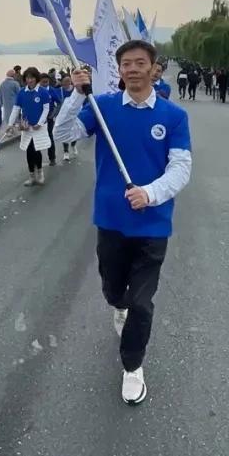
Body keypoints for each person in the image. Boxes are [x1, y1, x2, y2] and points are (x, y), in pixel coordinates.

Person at [53, 40, 192, 405]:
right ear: (119, 69)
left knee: (142, 303)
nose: (132, 69)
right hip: (111, 220)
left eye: (140, 63)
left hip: (152, 224)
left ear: (153, 68)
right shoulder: (103, 108)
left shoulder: (173, 116)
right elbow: (62, 135)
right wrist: (76, 95)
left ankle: (132, 366)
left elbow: (181, 168)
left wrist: (150, 193)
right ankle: (118, 305)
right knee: (115, 290)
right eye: (126, 63)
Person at [7, 67, 52, 186]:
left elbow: (46, 109)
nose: (30, 80)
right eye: (27, 78)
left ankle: (40, 173)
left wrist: (39, 123)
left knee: (36, 149)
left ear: (36, 78)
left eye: (32, 78)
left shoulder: (43, 92)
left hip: (38, 127)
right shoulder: (22, 92)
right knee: (29, 150)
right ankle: (32, 176)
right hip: (26, 126)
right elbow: (16, 109)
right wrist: (10, 124)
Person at [59, 75, 80, 160]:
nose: (67, 83)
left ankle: (73, 145)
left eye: (68, 81)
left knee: (74, 132)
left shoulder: (75, 89)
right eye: (65, 81)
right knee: (65, 133)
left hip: (75, 114)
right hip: (64, 115)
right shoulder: (60, 90)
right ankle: (66, 152)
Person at [0, 69, 21, 135]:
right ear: (13, 75)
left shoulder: (2, 84)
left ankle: (9, 131)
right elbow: (20, 94)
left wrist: (1, 103)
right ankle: (15, 131)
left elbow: (1, 95)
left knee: (7, 118)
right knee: (15, 117)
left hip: (5, 104)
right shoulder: (15, 83)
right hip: (15, 104)